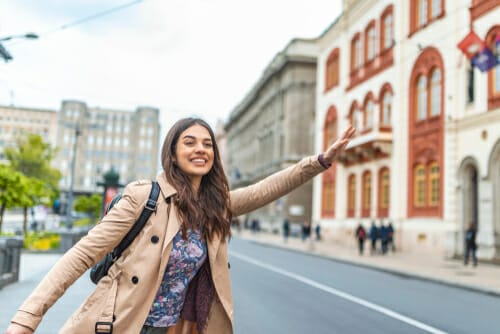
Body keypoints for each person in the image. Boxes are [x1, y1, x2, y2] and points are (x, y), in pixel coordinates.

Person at [7, 118, 355, 334]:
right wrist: (27, 317)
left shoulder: (215, 207)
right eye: (189, 142)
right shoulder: (144, 197)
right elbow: (80, 255)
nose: (201, 149)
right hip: (119, 325)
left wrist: (320, 161)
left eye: (208, 144)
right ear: (172, 154)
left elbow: (266, 189)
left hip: (168, 329)